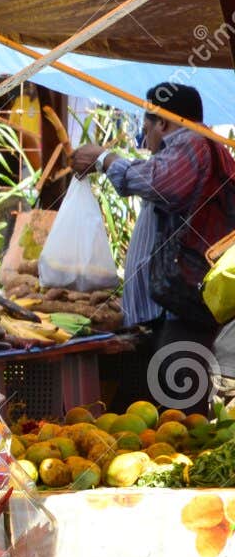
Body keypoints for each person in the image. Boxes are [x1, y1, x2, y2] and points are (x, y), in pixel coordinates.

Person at [73, 83, 235, 413]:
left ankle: (185, 462)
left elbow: (157, 184)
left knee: (178, 406)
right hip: (175, 306)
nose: (144, 136)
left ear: (162, 122)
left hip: (185, 303)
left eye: (146, 125)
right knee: (161, 403)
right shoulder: (198, 148)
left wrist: (106, 159)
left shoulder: (192, 142)